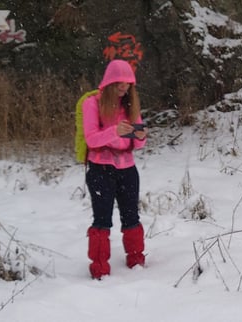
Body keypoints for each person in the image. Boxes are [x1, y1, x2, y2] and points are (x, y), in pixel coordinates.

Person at [82, 59, 148, 280]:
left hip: (128, 168)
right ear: (110, 82)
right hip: (100, 169)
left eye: (128, 83)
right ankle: (99, 266)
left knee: (131, 216)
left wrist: (140, 137)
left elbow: (138, 145)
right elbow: (91, 139)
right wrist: (114, 132)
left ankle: (136, 258)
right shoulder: (92, 104)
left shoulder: (130, 105)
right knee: (102, 219)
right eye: (120, 83)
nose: (124, 87)